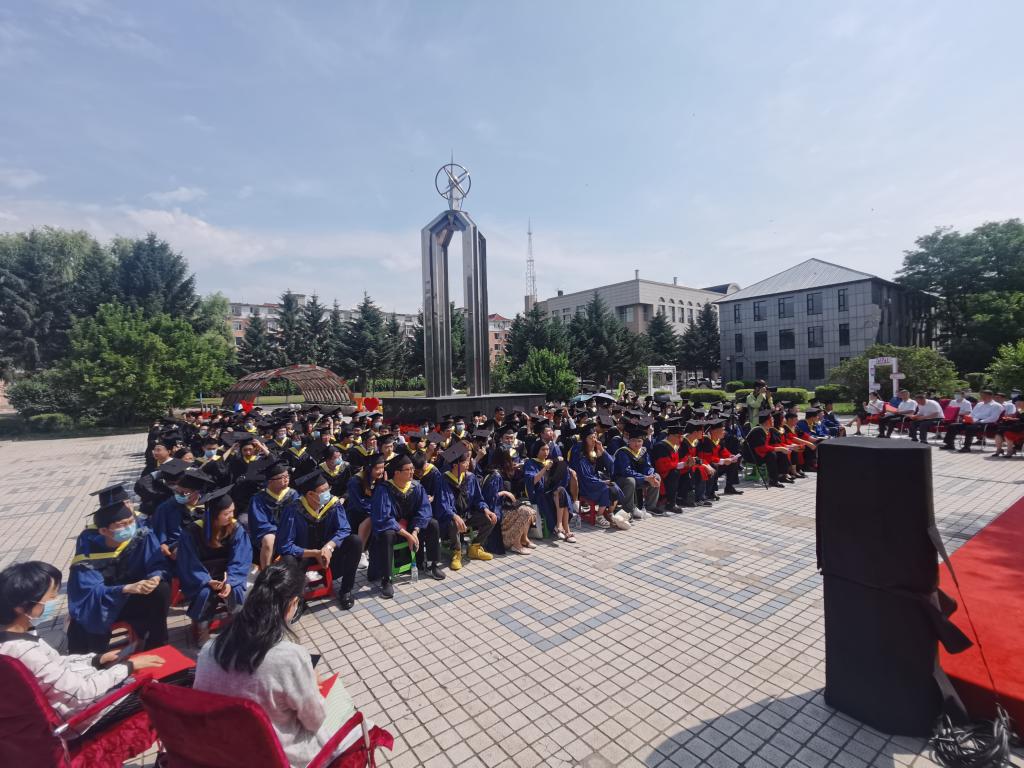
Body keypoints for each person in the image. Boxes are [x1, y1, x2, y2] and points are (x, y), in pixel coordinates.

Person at [194, 563, 355, 768]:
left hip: (226, 751)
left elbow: (202, 704)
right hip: (279, 757)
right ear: (293, 603)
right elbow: (314, 721)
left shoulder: (209, 650)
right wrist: (312, 686)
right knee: (340, 698)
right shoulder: (291, 658)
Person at [0, 561, 165, 719]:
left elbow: (56, 664)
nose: (53, 602)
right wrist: (127, 667)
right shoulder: (23, 651)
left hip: (73, 695)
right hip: (77, 715)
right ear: (21, 607)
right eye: (48, 599)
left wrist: (96, 659)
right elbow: (81, 693)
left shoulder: (20, 632)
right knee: (157, 691)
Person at [67, 484, 171, 653]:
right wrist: (125, 588)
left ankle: (156, 642)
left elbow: (157, 563)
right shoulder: (89, 547)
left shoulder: (142, 536)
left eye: (131, 522)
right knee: (83, 616)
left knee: (162, 589)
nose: (129, 527)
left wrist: (155, 576)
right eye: (122, 524)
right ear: (103, 530)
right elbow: (89, 591)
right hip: (106, 602)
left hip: (134, 598)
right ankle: (96, 658)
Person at [276, 470, 363, 610]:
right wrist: (314, 553)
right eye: (323, 491)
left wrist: (329, 547)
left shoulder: (333, 504)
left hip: (329, 556)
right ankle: (297, 599)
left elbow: (344, 529)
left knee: (355, 541)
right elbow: (285, 545)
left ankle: (346, 591)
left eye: (328, 489)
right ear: (310, 494)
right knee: (287, 558)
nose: (328, 493)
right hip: (303, 557)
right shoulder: (293, 510)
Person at [176, 486, 253, 644]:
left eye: (232, 511)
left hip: (227, 573)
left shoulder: (236, 529)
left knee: (237, 589)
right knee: (205, 592)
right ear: (214, 515)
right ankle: (202, 629)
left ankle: (237, 624)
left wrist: (231, 581)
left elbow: (241, 558)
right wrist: (206, 580)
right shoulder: (192, 532)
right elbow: (189, 563)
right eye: (226, 513)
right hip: (202, 575)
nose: (231, 516)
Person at [370, 454, 444, 599]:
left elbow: (424, 510)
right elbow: (384, 517)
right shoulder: (384, 489)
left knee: (433, 524)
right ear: (397, 473)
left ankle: (432, 564)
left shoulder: (416, 486)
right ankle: (386, 579)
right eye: (408, 469)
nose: (412, 472)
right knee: (386, 534)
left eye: (412, 469)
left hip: (412, 527)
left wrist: (415, 531)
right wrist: (407, 535)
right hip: (394, 529)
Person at [433, 442, 497, 570]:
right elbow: (443, 505)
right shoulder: (443, 480)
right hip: (449, 519)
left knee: (491, 518)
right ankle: (456, 552)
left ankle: (475, 547)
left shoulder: (470, 478)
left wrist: (486, 509)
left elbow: (478, 499)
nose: (468, 463)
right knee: (454, 523)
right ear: (455, 465)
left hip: (467, 515)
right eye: (464, 462)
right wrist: (455, 516)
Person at [568, 424, 629, 529]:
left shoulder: (595, 449)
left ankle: (609, 512)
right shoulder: (580, 453)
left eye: (595, 436)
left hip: (594, 479)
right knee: (605, 488)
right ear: (584, 439)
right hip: (584, 484)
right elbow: (585, 476)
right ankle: (599, 516)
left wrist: (602, 451)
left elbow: (611, 465)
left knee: (614, 486)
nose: (594, 440)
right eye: (591, 438)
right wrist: (602, 482)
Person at [481, 447, 536, 555]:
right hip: (497, 510)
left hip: (505, 506)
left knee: (530, 510)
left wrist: (516, 471)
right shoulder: (495, 475)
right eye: (510, 459)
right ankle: (516, 544)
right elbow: (490, 497)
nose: (513, 461)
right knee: (526, 512)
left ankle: (524, 539)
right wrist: (504, 493)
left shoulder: (503, 471)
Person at [248, 458, 298, 571]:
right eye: (282, 477)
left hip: (290, 531)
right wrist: (279, 532)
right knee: (269, 539)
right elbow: (260, 523)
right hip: (270, 533)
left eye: (287, 476)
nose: (286, 479)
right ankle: (266, 572)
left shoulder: (293, 494)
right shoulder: (258, 499)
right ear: (270, 481)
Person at [523, 440, 575, 542]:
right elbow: (533, 481)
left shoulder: (550, 462)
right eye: (543, 449)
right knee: (560, 495)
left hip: (551, 492)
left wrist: (560, 466)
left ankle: (561, 526)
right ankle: (564, 530)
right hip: (538, 494)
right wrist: (545, 469)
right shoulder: (530, 463)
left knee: (561, 491)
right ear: (536, 450)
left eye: (547, 449)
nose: (546, 452)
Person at [612, 423, 661, 521]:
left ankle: (650, 507)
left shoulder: (643, 451)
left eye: (639, 441)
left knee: (656, 476)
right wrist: (645, 478)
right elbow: (626, 472)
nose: (637, 444)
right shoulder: (623, 452)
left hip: (639, 478)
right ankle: (628, 510)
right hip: (621, 480)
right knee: (631, 480)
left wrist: (651, 476)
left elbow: (647, 466)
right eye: (634, 441)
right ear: (629, 441)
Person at [698, 420, 743, 495]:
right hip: (707, 464)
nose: (724, 432)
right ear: (715, 431)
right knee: (714, 465)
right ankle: (710, 492)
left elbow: (723, 451)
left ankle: (729, 487)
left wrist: (730, 456)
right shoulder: (706, 441)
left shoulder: (718, 439)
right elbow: (708, 458)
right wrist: (723, 461)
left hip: (717, 463)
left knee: (733, 462)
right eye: (722, 430)